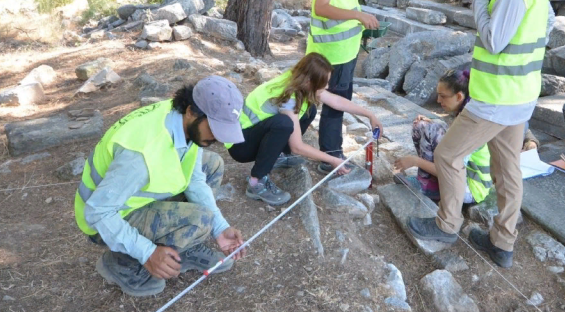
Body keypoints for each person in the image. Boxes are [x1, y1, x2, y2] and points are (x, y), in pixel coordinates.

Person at [407, 0, 554, 268]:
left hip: (495, 98)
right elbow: (548, 23)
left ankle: (446, 226)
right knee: (507, 169)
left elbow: (493, 41)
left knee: (447, 155)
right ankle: (502, 243)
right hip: (520, 94)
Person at [75, 76, 248, 297]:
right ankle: (121, 264)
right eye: (215, 128)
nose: (219, 138)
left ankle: (185, 245)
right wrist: (147, 253)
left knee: (212, 165)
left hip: (130, 196)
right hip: (105, 218)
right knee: (201, 218)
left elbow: (194, 179)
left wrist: (220, 227)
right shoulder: (140, 155)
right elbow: (97, 212)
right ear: (191, 112)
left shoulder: (183, 121)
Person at [227, 53, 385, 205]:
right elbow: (297, 147)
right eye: (324, 83)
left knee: (310, 110)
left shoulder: (298, 81)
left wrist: (369, 114)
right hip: (241, 145)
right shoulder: (289, 99)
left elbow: (335, 101)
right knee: (283, 123)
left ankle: (276, 157)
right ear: (309, 82)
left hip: (250, 135)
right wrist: (333, 160)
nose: (327, 86)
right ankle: (256, 183)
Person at [394, 68, 539, 205]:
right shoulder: (467, 112)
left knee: (432, 131)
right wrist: (432, 124)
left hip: (469, 188)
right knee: (423, 126)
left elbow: (451, 169)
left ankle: (431, 188)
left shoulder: (472, 126)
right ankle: (429, 181)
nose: (438, 100)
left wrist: (415, 161)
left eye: (443, 96)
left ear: (459, 96)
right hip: (459, 174)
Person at [306, 0, 384, 172]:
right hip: (332, 54)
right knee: (332, 104)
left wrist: (362, 18)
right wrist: (357, 16)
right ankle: (330, 158)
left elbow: (343, 8)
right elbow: (322, 8)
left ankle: (327, 153)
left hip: (344, 51)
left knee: (335, 101)